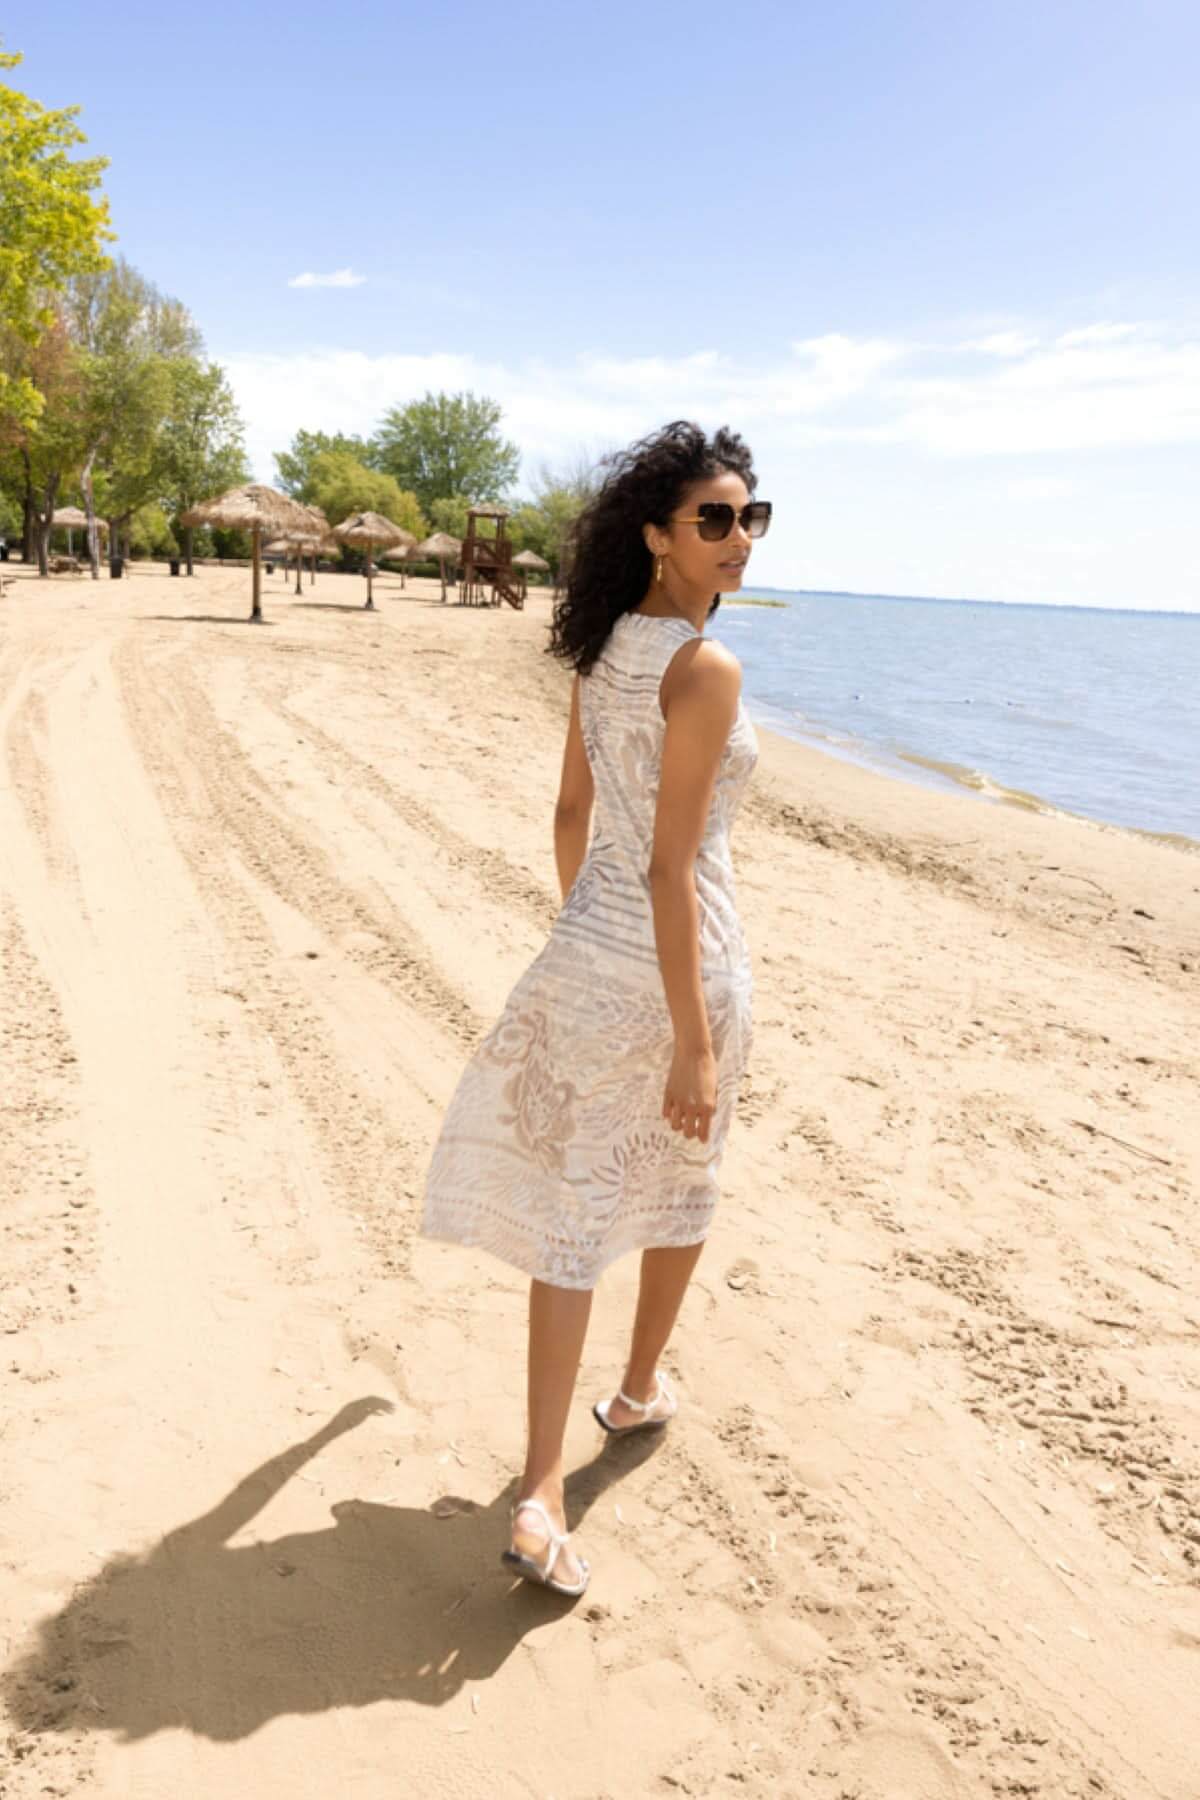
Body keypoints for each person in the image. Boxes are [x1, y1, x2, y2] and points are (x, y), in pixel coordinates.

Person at [422, 420, 770, 1596]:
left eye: (750, 516)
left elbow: (572, 817)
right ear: (658, 536)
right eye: (713, 519)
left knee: (574, 1214)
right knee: (684, 1178)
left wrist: (591, 931)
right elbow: (674, 869)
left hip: (587, 957)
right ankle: (631, 1393)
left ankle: (541, 1489)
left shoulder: (603, 648)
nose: (738, 537)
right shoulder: (705, 669)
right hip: (687, 967)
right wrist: (693, 1042)